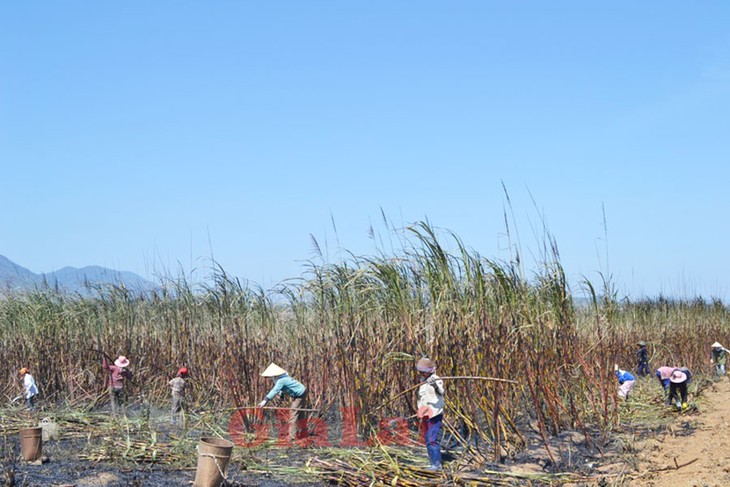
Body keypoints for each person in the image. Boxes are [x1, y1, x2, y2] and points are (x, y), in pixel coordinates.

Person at [258, 363, 307, 444]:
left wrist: (265, 400)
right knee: (300, 414)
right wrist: (281, 396)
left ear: (274, 375)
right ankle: (302, 434)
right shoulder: (282, 379)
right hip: (300, 393)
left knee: (293, 413)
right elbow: (282, 389)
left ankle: (292, 438)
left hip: (300, 394)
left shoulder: (281, 380)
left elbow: (275, 390)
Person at [416, 357, 445, 471]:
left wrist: (435, 386)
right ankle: (432, 462)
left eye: (422, 371)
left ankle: (437, 465)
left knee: (432, 439)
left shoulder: (436, 379)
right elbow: (422, 400)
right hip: (425, 414)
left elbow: (441, 392)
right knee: (427, 439)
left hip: (434, 415)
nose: (420, 373)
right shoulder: (423, 382)